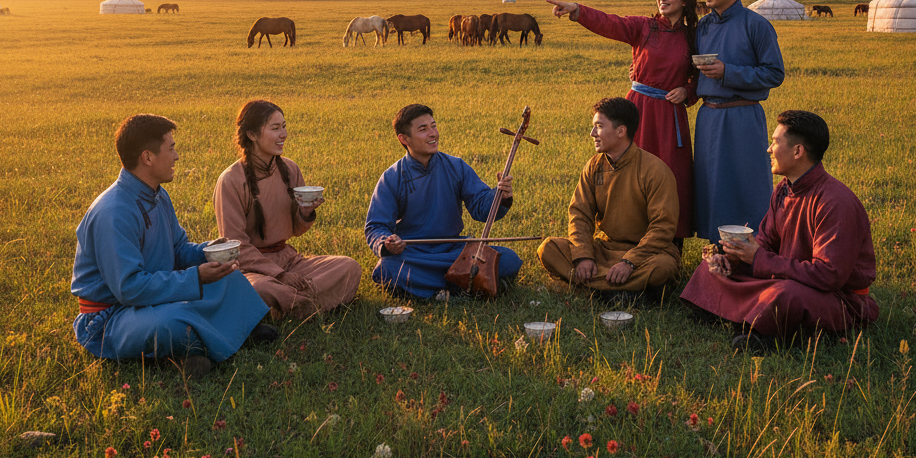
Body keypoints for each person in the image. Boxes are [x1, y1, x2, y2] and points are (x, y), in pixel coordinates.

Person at [71, 115, 274, 380]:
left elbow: (178, 250)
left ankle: (211, 340)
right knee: (172, 322)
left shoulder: (158, 195)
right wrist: (196, 277)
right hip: (111, 317)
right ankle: (204, 342)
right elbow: (130, 288)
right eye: (171, 148)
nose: (177, 156)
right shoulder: (113, 212)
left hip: (153, 298)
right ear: (148, 158)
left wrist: (208, 252)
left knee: (228, 277)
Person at [681, 111, 878, 352]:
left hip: (837, 298)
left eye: (775, 142)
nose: (768, 149)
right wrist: (733, 258)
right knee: (712, 268)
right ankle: (751, 318)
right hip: (787, 277)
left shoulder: (835, 202)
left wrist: (759, 259)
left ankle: (757, 330)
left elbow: (829, 276)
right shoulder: (784, 189)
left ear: (798, 152)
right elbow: (766, 241)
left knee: (786, 294)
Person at [547, 0, 699, 249]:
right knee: (630, 173)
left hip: (669, 115)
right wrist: (578, 11)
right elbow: (611, 23)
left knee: (672, 174)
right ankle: (627, 238)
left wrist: (688, 91)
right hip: (638, 111)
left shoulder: (694, 36)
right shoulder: (644, 27)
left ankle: (671, 243)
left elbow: (702, 74)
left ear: (686, 0)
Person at [213, 100, 361, 319]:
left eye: (284, 126)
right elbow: (235, 247)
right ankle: (301, 302)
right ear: (252, 135)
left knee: (349, 267)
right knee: (262, 290)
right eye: (275, 128)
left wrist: (306, 213)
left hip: (290, 261)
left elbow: (296, 230)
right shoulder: (231, 180)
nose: (283, 134)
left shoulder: (290, 169)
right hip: (252, 269)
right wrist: (279, 275)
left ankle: (286, 306)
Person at [365, 103, 523, 300]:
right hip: (415, 254)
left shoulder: (456, 166)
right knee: (387, 268)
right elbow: (376, 226)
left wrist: (500, 196)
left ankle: (435, 288)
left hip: (454, 250)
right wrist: (386, 243)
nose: (433, 134)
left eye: (434, 126)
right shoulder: (392, 178)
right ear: (404, 139)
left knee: (508, 259)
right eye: (423, 129)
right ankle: (461, 284)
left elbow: (481, 207)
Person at [537, 97, 680, 303]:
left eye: (599, 127)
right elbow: (580, 214)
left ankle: (595, 288)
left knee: (662, 268)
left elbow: (663, 228)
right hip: (605, 250)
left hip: (646, 254)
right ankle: (621, 292)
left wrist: (629, 262)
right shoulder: (594, 166)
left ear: (621, 131)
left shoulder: (655, 170)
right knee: (549, 248)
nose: (592, 133)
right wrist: (583, 256)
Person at [693, 0, 784, 243]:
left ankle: (754, 250)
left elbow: (774, 74)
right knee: (710, 185)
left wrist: (727, 72)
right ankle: (715, 251)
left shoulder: (756, 25)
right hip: (708, 117)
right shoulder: (703, 26)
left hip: (743, 117)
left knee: (747, 185)